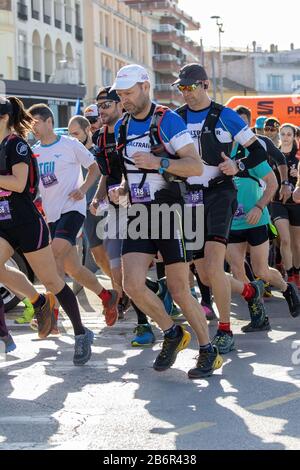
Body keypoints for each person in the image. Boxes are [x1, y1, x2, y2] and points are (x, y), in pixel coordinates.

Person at [109, 64, 223, 379]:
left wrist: (160, 162)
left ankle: (207, 350)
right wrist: (123, 185)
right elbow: (129, 166)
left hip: (171, 210)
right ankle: (172, 332)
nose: (124, 100)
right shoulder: (122, 126)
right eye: (120, 94)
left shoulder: (167, 120)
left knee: (178, 287)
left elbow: (195, 165)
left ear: (145, 87)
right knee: (131, 284)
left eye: (128, 93)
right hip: (138, 210)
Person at [172, 63, 270, 354]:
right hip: (190, 197)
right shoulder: (175, 119)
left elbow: (258, 150)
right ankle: (250, 292)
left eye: (190, 87)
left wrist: (236, 165)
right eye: (181, 88)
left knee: (215, 266)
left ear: (204, 84)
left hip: (220, 195)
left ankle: (225, 330)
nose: (186, 93)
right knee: (204, 275)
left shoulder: (225, 116)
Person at [0, 96, 93, 364]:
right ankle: (39, 302)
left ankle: (80, 332)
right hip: (3, 223)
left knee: (52, 280)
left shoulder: (16, 145)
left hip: (27, 223)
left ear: (4, 118)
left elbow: (18, 183)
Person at [28, 103, 119, 327]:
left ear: (49, 122)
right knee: (72, 268)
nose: (34, 129)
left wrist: (84, 189)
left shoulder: (70, 144)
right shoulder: (35, 151)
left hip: (73, 210)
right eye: (31, 125)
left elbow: (95, 167)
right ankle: (107, 296)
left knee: (52, 258)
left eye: (37, 123)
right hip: (52, 214)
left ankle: (51, 315)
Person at [68, 114, 112, 279]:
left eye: (76, 134)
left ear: (88, 130)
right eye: (70, 134)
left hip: (105, 208)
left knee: (114, 256)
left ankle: (122, 294)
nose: (73, 138)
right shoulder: (70, 156)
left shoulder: (99, 152)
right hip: (85, 211)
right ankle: (120, 291)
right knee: (99, 258)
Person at [270, 124, 300, 288]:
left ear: (294, 136)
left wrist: (298, 176)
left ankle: (297, 272)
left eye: (289, 134)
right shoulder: (274, 155)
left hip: (296, 204)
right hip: (277, 202)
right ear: (279, 136)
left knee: (297, 243)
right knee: (285, 240)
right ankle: (288, 273)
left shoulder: (298, 158)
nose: (286, 137)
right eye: (283, 134)